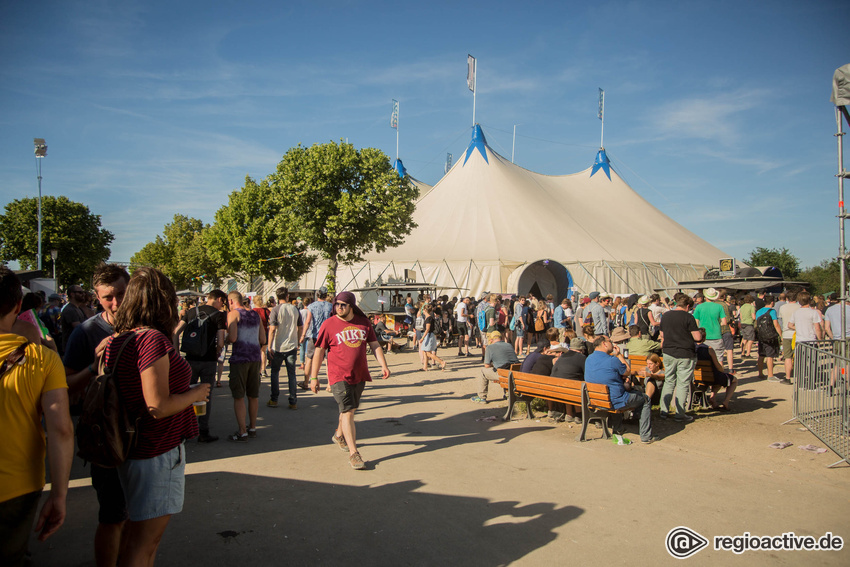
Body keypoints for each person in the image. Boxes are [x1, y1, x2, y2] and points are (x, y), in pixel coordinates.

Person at [105, 267, 209, 567]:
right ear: (163, 300)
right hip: (155, 450)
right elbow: (157, 406)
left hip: (137, 448)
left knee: (136, 539)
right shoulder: (151, 339)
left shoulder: (121, 338)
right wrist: (195, 394)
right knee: (144, 543)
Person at [0, 267, 74, 567]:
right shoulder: (41, 359)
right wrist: (59, 494)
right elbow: (61, 430)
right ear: (19, 306)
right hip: (15, 487)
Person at [62, 264, 132, 566]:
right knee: (113, 514)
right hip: (105, 436)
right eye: (107, 297)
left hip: (142, 434)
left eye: (121, 294)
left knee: (139, 514)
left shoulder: (151, 327)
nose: (115, 303)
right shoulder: (86, 332)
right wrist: (94, 366)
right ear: (96, 297)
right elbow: (65, 386)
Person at [309, 291, 390, 470]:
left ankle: (339, 435)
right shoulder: (329, 324)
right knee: (348, 412)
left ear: (351, 306)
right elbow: (320, 351)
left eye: (343, 304)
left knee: (350, 408)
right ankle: (354, 453)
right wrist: (314, 377)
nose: (339, 307)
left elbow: (374, 345)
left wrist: (383, 365)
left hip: (359, 374)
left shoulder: (364, 323)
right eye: (337, 304)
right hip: (338, 376)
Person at [171, 289, 227, 443]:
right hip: (208, 361)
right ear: (219, 299)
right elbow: (221, 341)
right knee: (206, 396)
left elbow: (176, 332)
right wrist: (217, 353)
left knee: (187, 395)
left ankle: (185, 430)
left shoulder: (191, 312)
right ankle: (203, 431)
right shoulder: (219, 315)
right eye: (223, 301)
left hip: (189, 360)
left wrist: (176, 354)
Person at [585, 336, 657, 443]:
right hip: (614, 400)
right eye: (610, 341)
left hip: (596, 400)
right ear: (604, 344)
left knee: (613, 392)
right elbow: (627, 371)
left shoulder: (588, 359)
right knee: (645, 399)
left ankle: (618, 428)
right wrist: (619, 355)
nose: (612, 344)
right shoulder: (612, 360)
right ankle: (646, 436)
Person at [226, 291, 266, 441]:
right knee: (253, 396)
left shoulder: (234, 314)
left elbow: (233, 337)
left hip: (240, 359)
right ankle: (253, 427)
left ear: (230, 301)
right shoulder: (255, 315)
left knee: (238, 396)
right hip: (255, 358)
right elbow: (263, 338)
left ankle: (242, 431)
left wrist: (226, 338)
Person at [658, 293, 701, 422]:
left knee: (669, 381)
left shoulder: (666, 316)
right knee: (683, 383)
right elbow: (697, 337)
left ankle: (663, 410)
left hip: (668, 351)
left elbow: (662, 334)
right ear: (688, 306)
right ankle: (680, 413)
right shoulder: (688, 317)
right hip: (685, 352)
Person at [267, 287, 303, 410]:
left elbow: (272, 329)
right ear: (287, 296)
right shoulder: (295, 309)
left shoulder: (275, 310)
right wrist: (298, 340)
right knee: (291, 374)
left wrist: (269, 345)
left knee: (275, 372)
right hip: (292, 345)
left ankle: (274, 399)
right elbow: (300, 326)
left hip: (278, 346)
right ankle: (293, 401)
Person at [695, 329, 738, 410]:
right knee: (733, 380)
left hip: (696, 377)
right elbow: (718, 366)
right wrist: (722, 369)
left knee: (717, 377)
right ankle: (725, 401)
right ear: (704, 338)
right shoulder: (709, 349)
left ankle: (713, 400)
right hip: (712, 377)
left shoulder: (691, 349)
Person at [471, 330, 519, 404]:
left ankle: (482, 397)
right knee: (504, 368)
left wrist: (494, 364)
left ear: (491, 339)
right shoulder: (509, 345)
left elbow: (486, 365)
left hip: (503, 374)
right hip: (514, 373)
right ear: (501, 338)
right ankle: (507, 394)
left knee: (483, 371)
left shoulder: (490, 347)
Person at [300, 286, 333, 389]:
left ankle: (306, 381)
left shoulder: (312, 306)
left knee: (309, 358)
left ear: (317, 295)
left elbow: (308, 321)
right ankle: (329, 384)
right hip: (327, 336)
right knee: (328, 360)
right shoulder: (331, 306)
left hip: (314, 336)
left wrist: (303, 335)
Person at [550, 338, 587, 423]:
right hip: (570, 388)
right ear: (581, 349)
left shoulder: (562, 356)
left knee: (570, 383)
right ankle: (578, 414)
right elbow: (586, 374)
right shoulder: (581, 357)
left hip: (555, 387)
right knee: (578, 385)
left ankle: (569, 414)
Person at [693, 287, 727, 364]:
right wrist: (717, 324)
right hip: (716, 336)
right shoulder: (719, 307)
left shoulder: (699, 307)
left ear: (705, 297)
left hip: (703, 337)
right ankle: (720, 375)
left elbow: (696, 322)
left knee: (704, 360)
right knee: (719, 359)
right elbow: (724, 322)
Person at [755, 294, 783, 383]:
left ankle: (760, 373)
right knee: (770, 355)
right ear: (772, 302)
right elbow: (776, 324)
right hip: (770, 335)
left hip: (761, 335)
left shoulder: (758, 311)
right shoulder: (772, 311)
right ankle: (770, 375)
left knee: (761, 354)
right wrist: (781, 335)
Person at [778, 291, 801, 381]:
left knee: (787, 357)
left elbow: (781, 319)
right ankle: (798, 375)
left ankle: (788, 377)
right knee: (798, 356)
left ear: (787, 298)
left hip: (787, 333)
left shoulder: (782, 307)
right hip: (797, 334)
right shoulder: (799, 307)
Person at [59, 284, 89, 354]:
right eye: (80, 292)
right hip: (71, 349)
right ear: (72, 294)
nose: (83, 294)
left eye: (83, 292)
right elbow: (79, 328)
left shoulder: (77, 308)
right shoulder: (70, 310)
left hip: (78, 348)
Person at [420, 304, 447, 371]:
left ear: (425, 310)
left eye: (423, 310)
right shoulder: (428, 317)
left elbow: (427, 329)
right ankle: (425, 367)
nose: (422, 311)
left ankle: (441, 362)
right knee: (425, 352)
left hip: (429, 336)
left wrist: (422, 338)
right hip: (428, 335)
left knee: (428, 353)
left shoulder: (429, 318)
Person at [252, 295, 271, 376]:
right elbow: (270, 321)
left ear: (254, 302)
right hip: (265, 332)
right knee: (263, 352)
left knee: (256, 352)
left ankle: (257, 370)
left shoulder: (252, 311)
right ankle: (263, 369)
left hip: (255, 333)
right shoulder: (266, 311)